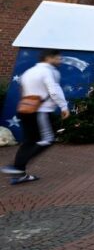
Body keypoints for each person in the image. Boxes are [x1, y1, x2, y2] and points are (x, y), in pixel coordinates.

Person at [1, 50, 70, 184]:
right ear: (49, 58)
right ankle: (16, 167)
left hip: (25, 109)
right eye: (58, 58)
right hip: (41, 111)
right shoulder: (48, 72)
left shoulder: (30, 71)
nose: (60, 61)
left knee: (29, 140)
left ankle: (20, 174)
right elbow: (54, 90)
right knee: (47, 140)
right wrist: (63, 107)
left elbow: (22, 89)